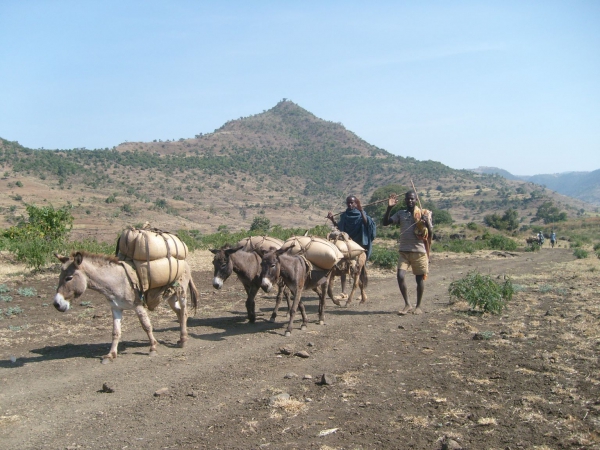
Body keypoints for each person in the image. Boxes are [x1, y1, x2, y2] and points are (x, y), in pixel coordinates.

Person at [382, 191, 432, 315]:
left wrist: (426, 223)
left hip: (419, 251)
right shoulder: (400, 214)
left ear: (416, 200)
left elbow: (430, 234)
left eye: (412, 199)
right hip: (404, 251)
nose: (410, 201)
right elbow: (385, 222)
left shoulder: (423, 214)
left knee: (419, 280)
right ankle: (407, 304)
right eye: (408, 199)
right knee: (400, 276)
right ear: (405, 200)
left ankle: (418, 306)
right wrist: (389, 208)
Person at [327, 195, 376, 300]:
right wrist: (332, 220)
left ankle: (362, 292)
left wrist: (361, 210)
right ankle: (343, 292)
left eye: (352, 202)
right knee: (343, 266)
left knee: (360, 269)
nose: (350, 204)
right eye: (348, 203)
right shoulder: (345, 215)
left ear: (356, 203)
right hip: (347, 244)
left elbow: (368, 224)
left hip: (359, 244)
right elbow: (340, 228)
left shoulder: (361, 214)